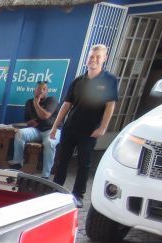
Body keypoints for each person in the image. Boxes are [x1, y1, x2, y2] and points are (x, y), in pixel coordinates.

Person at [50, 44, 118, 207]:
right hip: (70, 127)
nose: (94, 60)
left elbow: (110, 105)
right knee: (62, 160)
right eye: (91, 57)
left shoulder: (109, 80)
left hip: (89, 130)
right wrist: (55, 127)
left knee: (84, 164)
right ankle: (56, 191)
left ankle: (77, 195)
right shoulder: (77, 81)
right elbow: (66, 105)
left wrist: (102, 127)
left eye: (97, 57)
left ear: (104, 59)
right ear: (87, 59)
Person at [10, 81, 59, 178]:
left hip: (51, 130)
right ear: (34, 91)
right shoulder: (29, 102)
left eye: (44, 89)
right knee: (20, 133)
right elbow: (27, 120)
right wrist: (29, 123)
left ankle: (46, 174)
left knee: (49, 143)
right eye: (39, 89)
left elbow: (45, 116)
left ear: (47, 92)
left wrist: (36, 103)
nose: (41, 91)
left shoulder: (52, 100)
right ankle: (17, 162)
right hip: (37, 130)